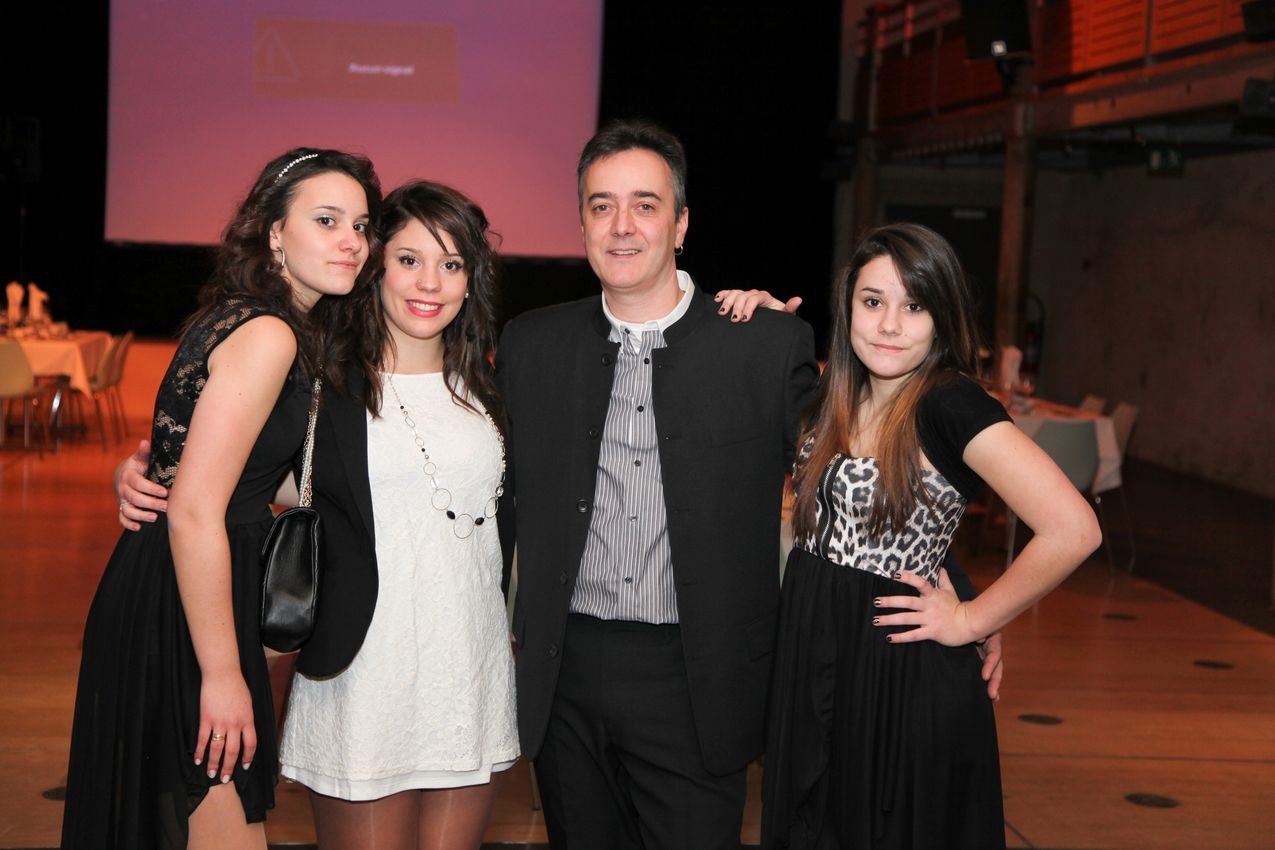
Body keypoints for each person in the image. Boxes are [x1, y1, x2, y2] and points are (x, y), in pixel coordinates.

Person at [115, 180, 519, 850]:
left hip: (470, 677)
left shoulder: (492, 390)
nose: (430, 283)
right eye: (408, 259)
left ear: (471, 279)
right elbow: (230, 481)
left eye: (451, 264)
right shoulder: (320, 387)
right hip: (362, 680)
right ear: (376, 268)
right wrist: (138, 474)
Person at [493, 117, 820, 849]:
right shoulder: (531, 345)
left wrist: (948, 582)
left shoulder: (763, 345)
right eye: (601, 205)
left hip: (698, 680)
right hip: (565, 673)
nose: (621, 226)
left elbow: (848, 482)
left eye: (645, 205)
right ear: (581, 223)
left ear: (681, 224)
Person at [62, 147, 382, 850]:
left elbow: (233, 475)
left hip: (176, 586)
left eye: (360, 225)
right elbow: (194, 511)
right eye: (326, 220)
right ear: (274, 232)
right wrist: (222, 675)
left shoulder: (250, 319)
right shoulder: (268, 335)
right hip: (189, 604)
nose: (351, 242)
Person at [760, 222, 1102, 849]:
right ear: (848, 307)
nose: (890, 325)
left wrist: (973, 619)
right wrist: (759, 318)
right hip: (814, 654)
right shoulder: (833, 394)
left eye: (914, 306)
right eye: (873, 302)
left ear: (941, 318)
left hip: (896, 670)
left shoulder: (950, 404)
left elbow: (1073, 528)